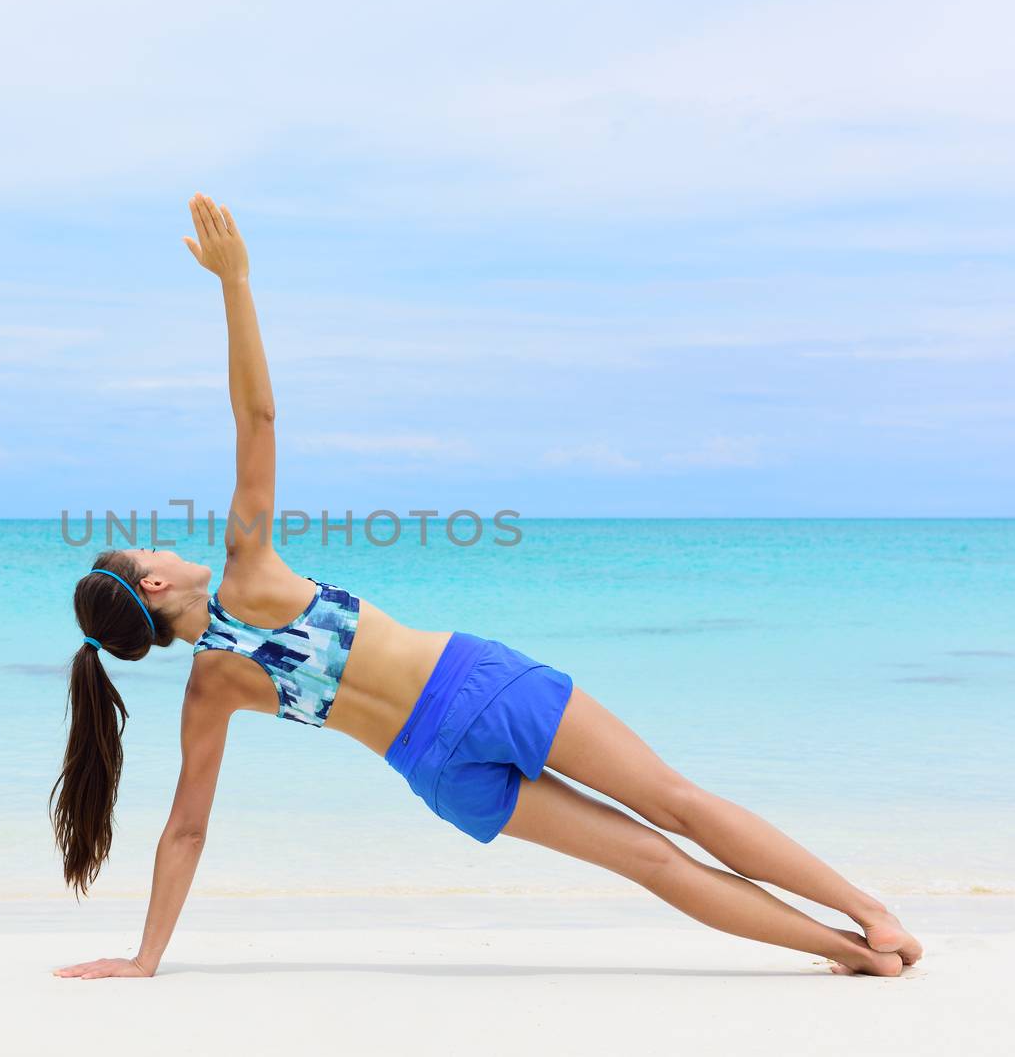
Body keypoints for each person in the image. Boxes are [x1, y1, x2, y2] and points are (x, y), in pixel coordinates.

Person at [52, 193, 921, 980]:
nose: (160, 541)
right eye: (146, 546)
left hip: (436, 772)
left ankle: (847, 955)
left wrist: (145, 958)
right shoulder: (249, 569)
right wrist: (236, 283)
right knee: (678, 806)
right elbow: (259, 418)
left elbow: (187, 831)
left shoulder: (208, 690)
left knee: (652, 863)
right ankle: (870, 914)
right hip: (475, 687)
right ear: (156, 579)